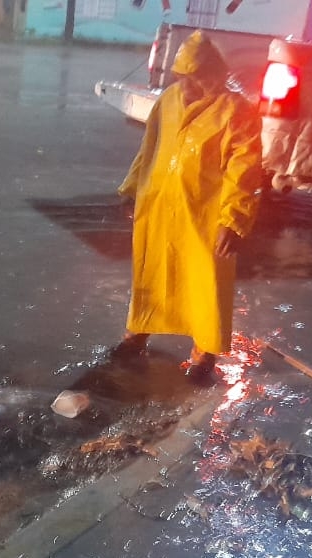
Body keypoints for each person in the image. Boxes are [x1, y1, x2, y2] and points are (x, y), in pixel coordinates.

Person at [108, 31, 263, 383]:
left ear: (213, 75)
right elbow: (149, 148)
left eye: (195, 79)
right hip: (160, 206)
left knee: (204, 280)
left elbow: (245, 171)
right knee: (153, 272)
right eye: (182, 78)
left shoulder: (236, 111)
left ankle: (203, 351)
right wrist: (132, 189)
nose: (187, 86)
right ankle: (138, 333)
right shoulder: (169, 101)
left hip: (205, 217)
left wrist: (233, 219)